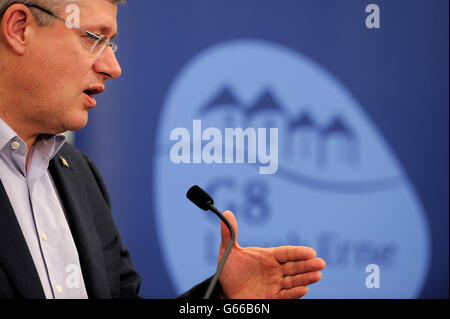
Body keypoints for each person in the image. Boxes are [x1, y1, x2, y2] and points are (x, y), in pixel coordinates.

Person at [0, 0, 326, 299]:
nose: (113, 67)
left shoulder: (79, 175)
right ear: (19, 28)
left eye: (110, 43)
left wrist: (222, 296)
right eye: (93, 37)